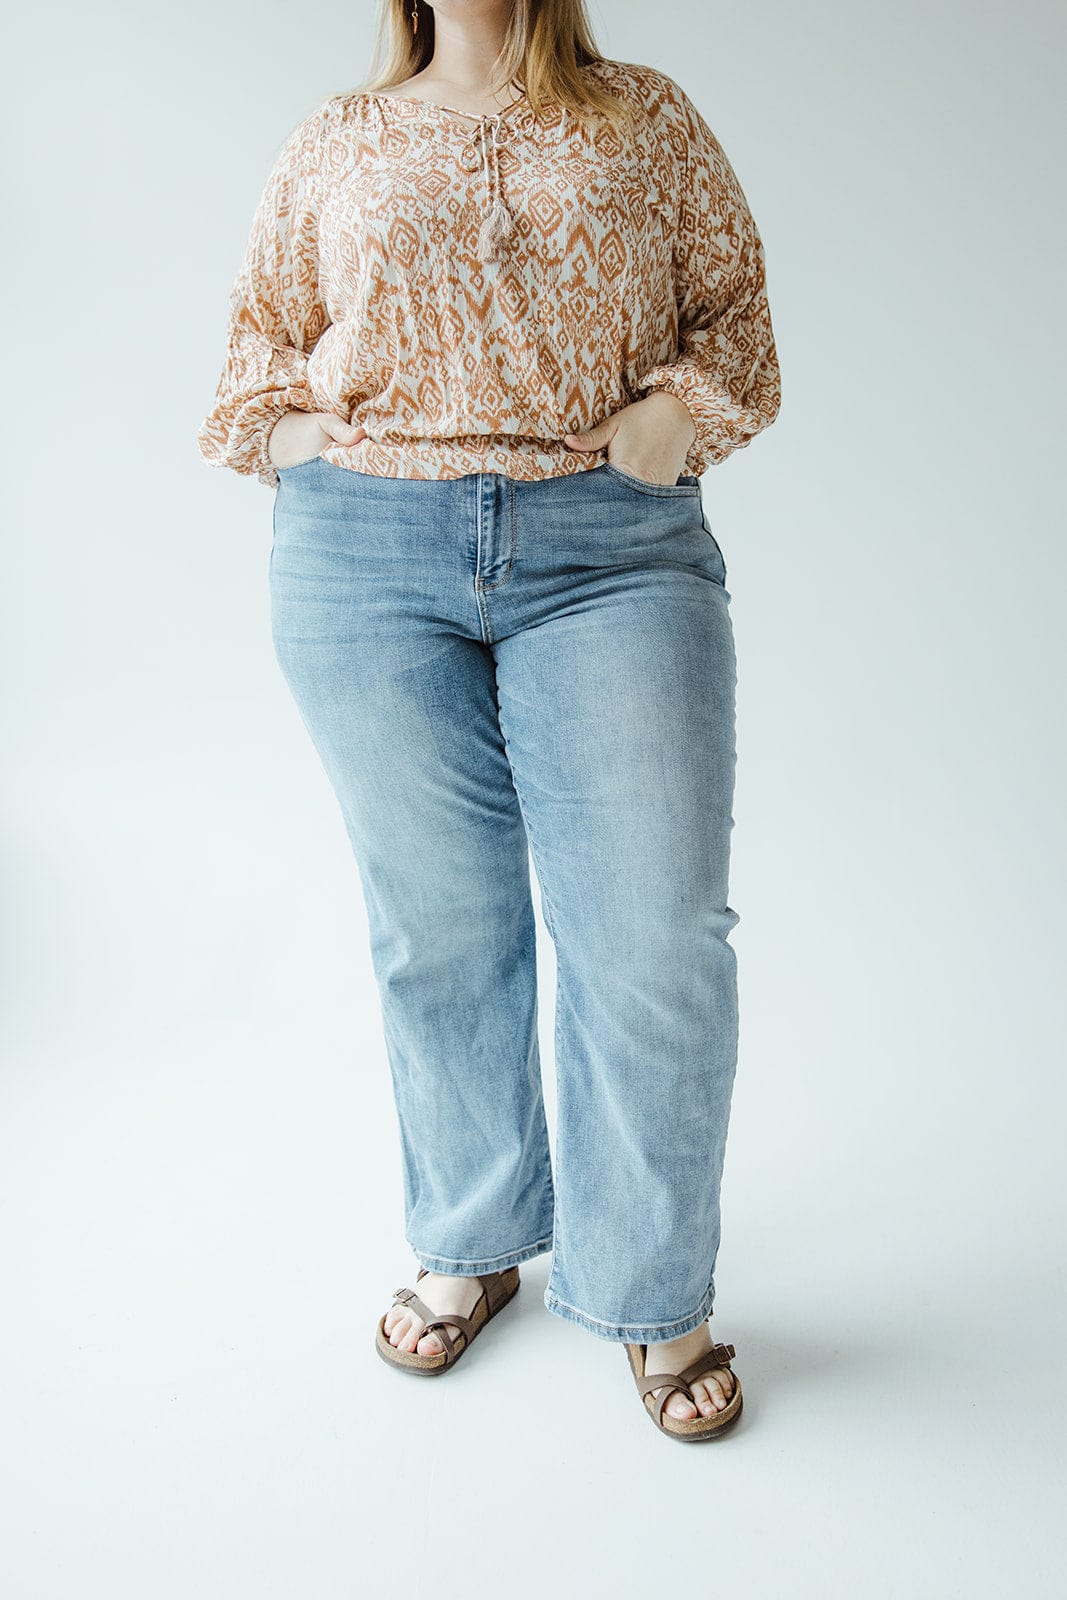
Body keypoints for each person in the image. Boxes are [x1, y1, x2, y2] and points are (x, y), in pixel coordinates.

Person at [196, 0, 780, 1443]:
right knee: (439, 928)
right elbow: (253, 355)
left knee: (652, 934)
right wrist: (295, 442)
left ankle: (654, 1289)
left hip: (609, 551)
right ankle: (471, 1237)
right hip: (363, 560)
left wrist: (673, 421)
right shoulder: (336, 136)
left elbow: (738, 323)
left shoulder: (642, 116)